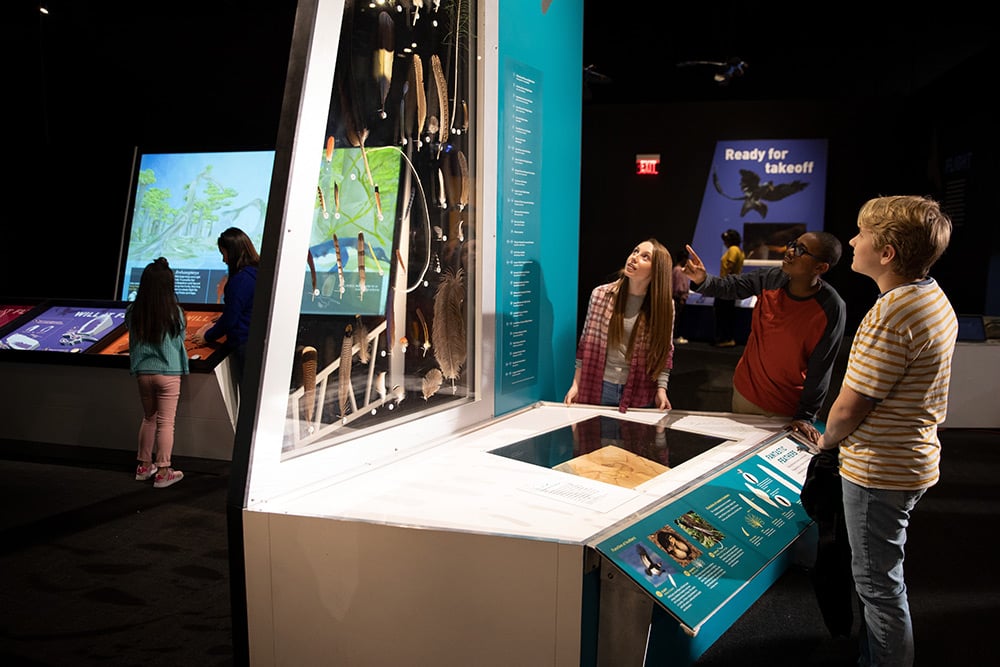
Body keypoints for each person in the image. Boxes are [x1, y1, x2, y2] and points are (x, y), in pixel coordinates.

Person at [817, 196, 956, 667]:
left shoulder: (889, 314)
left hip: (879, 471)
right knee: (881, 580)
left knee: (878, 588)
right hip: (911, 461)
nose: (853, 242)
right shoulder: (931, 296)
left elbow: (849, 407)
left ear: (888, 252)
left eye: (862, 234)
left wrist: (825, 441)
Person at [682, 231, 846, 441]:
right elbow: (732, 286)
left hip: (785, 409)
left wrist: (805, 416)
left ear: (821, 267)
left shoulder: (831, 307)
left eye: (801, 250)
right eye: (793, 244)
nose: (791, 252)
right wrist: (703, 279)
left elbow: (821, 367)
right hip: (744, 394)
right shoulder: (771, 278)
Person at [564, 239, 675, 412]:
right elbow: (586, 343)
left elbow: (664, 350)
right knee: (595, 438)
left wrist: (662, 389)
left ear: (657, 270)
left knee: (635, 439)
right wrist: (575, 384)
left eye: (645, 257)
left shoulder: (665, 306)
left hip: (640, 389)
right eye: (635, 251)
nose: (634, 258)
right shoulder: (601, 294)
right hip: (599, 386)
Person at [126, 257, 189, 489]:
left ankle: (144, 466)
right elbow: (180, 338)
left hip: (143, 372)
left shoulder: (134, 311)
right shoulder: (175, 312)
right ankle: (163, 471)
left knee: (149, 418)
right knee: (166, 423)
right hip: (169, 373)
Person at [191, 227, 260, 382]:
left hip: (244, 344)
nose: (224, 260)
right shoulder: (258, 272)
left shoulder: (240, 280)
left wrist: (207, 336)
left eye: (224, 254)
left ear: (233, 251)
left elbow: (231, 318)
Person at [713, 228, 745, 347]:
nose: (724, 242)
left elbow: (729, 268)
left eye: (726, 239)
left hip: (726, 287)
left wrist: (722, 286)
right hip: (731, 286)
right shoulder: (739, 251)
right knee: (727, 313)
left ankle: (725, 338)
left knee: (722, 313)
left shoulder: (733, 250)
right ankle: (727, 337)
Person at [672, 247, 691, 344]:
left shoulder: (676, 269)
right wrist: (682, 297)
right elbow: (680, 287)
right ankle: (675, 337)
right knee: (677, 319)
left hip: (677, 298)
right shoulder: (679, 270)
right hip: (678, 299)